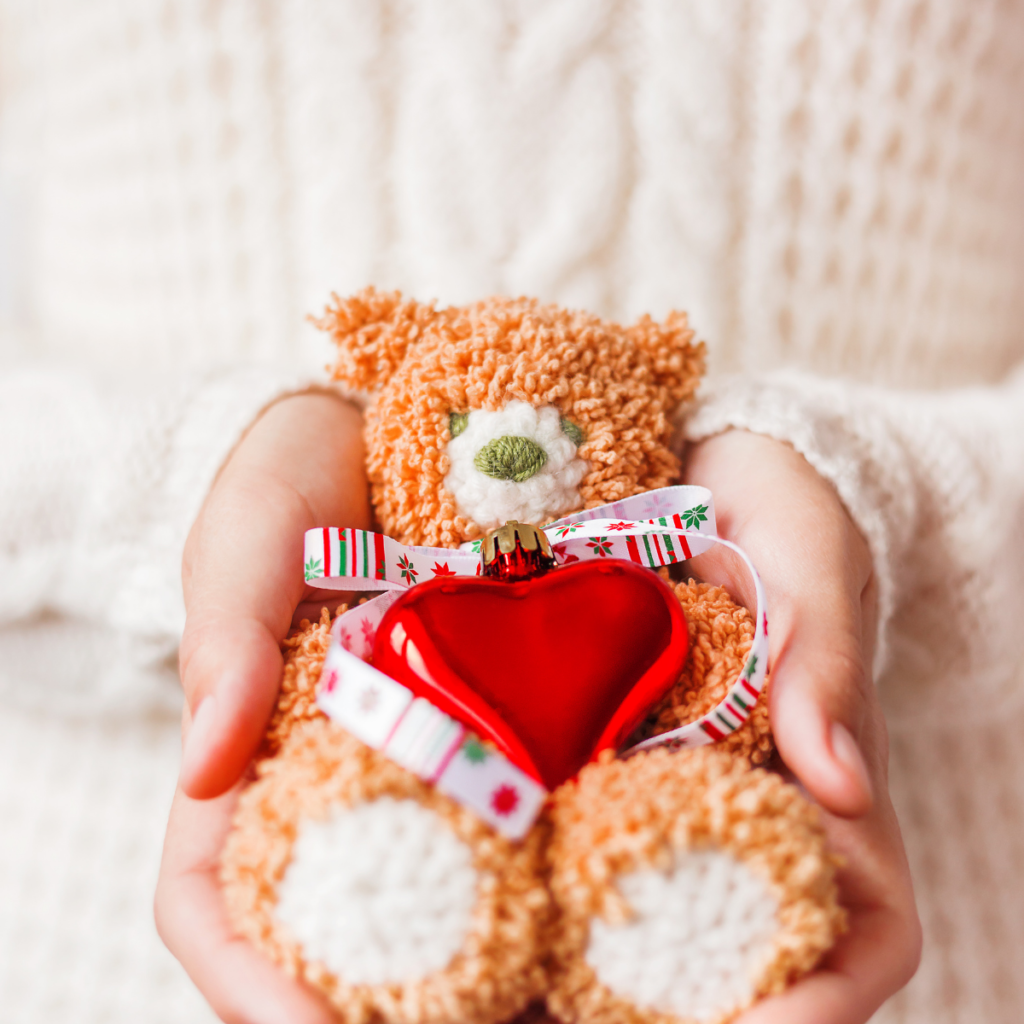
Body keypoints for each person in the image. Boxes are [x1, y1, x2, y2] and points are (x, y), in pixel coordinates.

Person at [1, 3, 1022, 1023]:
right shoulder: (378, 610)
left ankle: (685, 865)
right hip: (95, 957)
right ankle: (374, 853)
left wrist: (854, 490)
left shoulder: (668, 578)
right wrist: (201, 492)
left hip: (950, 948)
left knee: (678, 793)